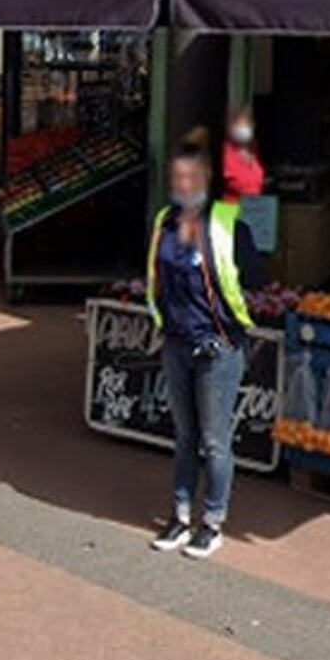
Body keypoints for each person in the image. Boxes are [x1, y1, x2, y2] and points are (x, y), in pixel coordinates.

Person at [147, 139, 262, 560]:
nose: (183, 184)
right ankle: (180, 515)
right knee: (184, 436)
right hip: (176, 342)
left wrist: (229, 326)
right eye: (177, 178)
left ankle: (212, 522)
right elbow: (156, 275)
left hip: (218, 346)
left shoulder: (229, 227)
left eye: (191, 177)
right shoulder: (165, 221)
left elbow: (255, 277)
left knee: (214, 440)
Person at [222, 106, 266, 202]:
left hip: (251, 205)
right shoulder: (226, 152)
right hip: (227, 206)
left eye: (247, 124)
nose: (244, 128)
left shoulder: (252, 152)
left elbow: (258, 181)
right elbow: (236, 181)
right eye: (239, 124)